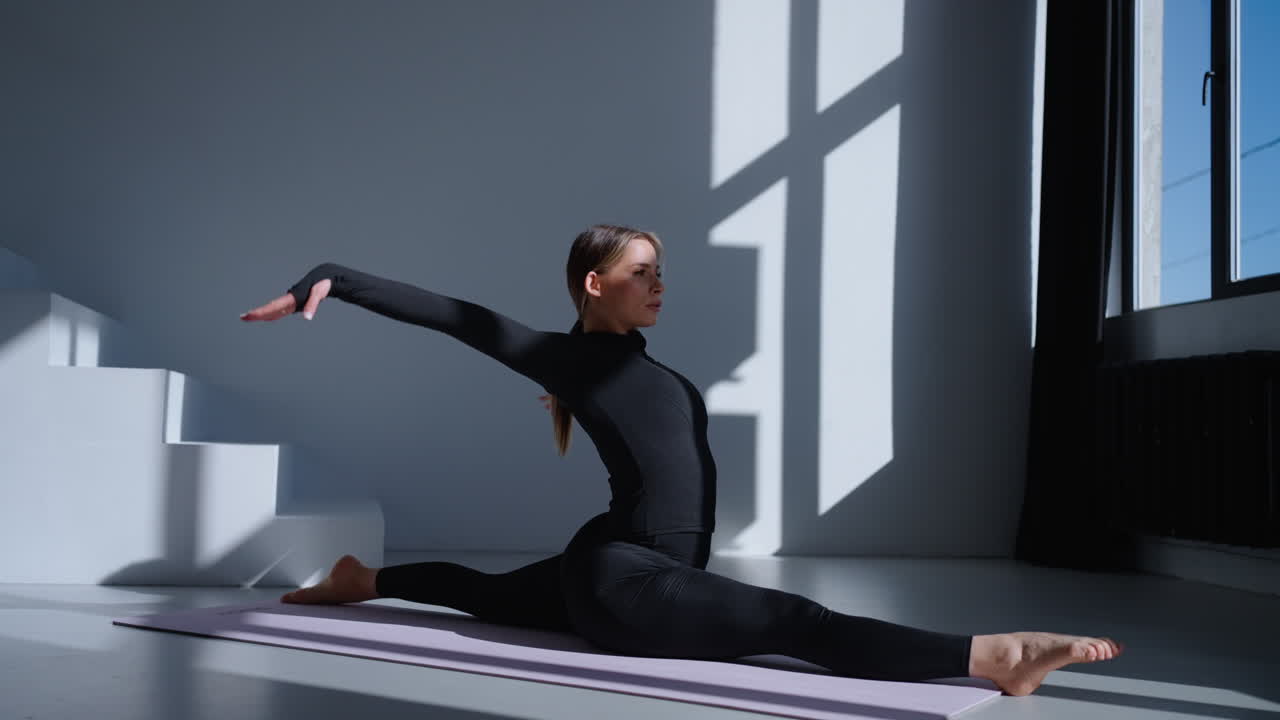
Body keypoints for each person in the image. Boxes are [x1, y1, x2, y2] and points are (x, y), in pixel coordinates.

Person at [239, 224, 1123, 696]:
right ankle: (993, 657)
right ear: (596, 282)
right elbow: (457, 315)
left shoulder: (649, 368)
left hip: (619, 564)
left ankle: (367, 581)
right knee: (798, 624)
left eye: (661, 271)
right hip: (627, 579)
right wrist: (335, 278)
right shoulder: (566, 356)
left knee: (489, 595)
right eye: (643, 270)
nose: (660, 282)